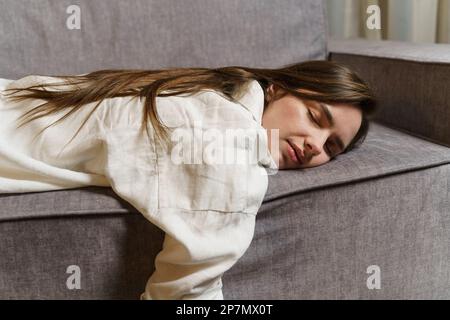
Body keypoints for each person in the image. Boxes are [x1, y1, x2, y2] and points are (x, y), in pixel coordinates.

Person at [0, 60, 377, 299]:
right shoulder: (225, 136)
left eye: (332, 147)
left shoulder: (210, 95)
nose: (315, 145)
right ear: (275, 89)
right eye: (314, 116)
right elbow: (185, 291)